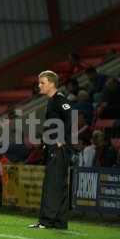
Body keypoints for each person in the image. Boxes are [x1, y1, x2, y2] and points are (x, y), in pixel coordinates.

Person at [29, 70, 72, 230]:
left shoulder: (59, 100)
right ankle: (59, 222)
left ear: (52, 83)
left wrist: (63, 139)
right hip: (54, 147)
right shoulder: (53, 101)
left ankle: (46, 221)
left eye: (42, 83)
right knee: (58, 184)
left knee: (52, 184)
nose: (39, 85)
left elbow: (71, 116)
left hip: (58, 148)